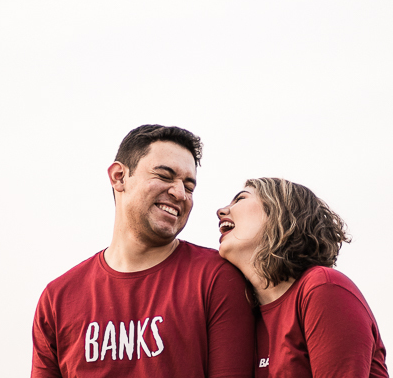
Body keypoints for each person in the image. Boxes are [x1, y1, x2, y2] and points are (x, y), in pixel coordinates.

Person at [31, 124, 254, 378]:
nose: (180, 193)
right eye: (164, 176)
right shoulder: (57, 298)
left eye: (189, 186)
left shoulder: (217, 278)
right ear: (119, 177)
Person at [216, 177, 388, 378]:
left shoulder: (323, 288)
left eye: (240, 199)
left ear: (280, 212)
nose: (221, 211)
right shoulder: (244, 316)